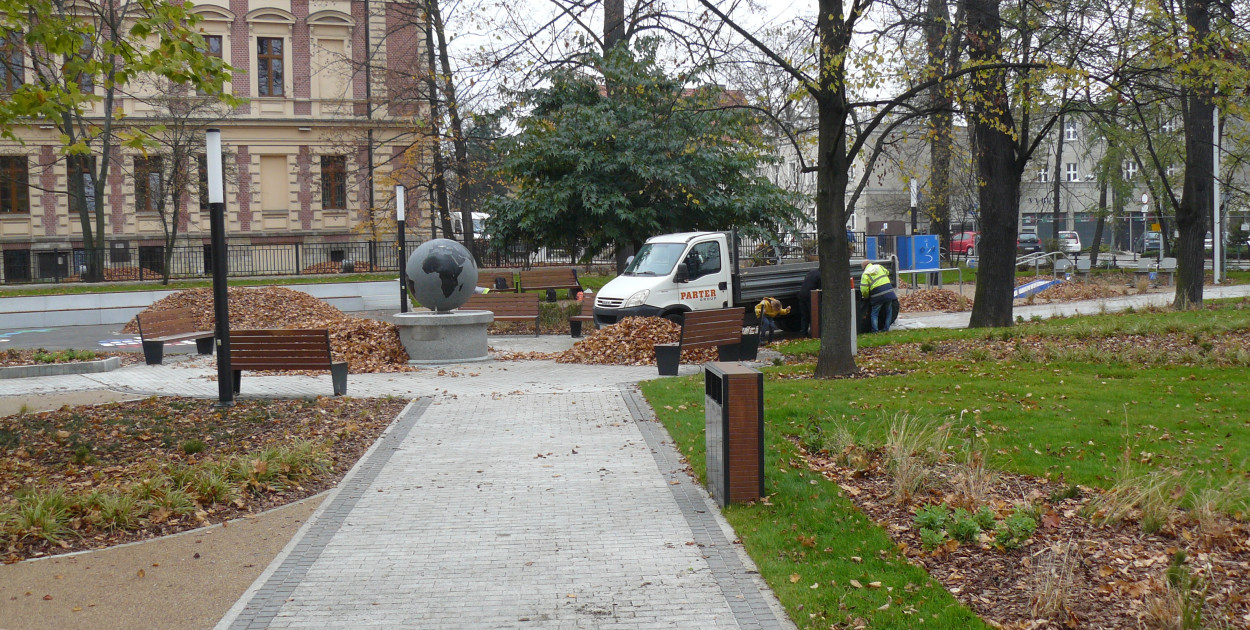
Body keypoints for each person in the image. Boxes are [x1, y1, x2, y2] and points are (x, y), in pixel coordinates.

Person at [859, 259, 897, 332]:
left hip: (877, 295)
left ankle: (875, 331)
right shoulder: (879, 266)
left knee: (874, 313)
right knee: (889, 311)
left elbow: (864, 289)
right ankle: (886, 329)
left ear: (863, 267)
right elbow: (887, 272)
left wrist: (866, 297)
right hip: (889, 292)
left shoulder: (865, 274)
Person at [798, 268, 821, 337]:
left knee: (805, 316)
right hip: (810, 296)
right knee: (813, 315)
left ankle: (803, 334)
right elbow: (820, 289)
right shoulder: (821, 275)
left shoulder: (811, 272)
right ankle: (814, 333)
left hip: (802, 294)